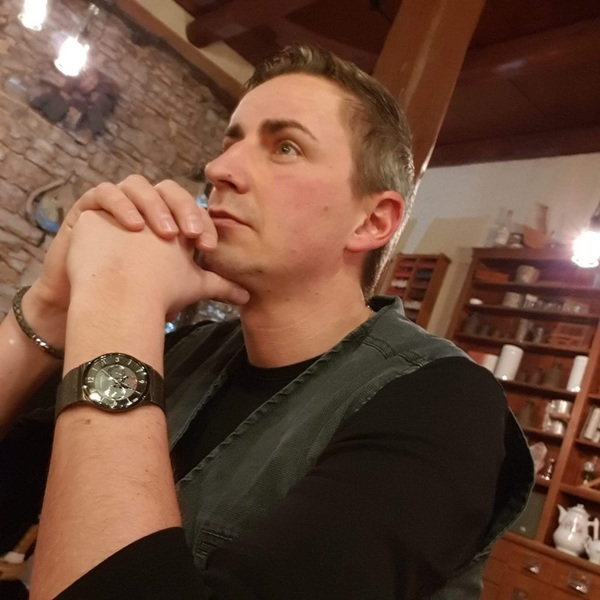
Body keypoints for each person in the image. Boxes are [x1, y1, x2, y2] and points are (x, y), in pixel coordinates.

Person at [0, 45, 532, 599]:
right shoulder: (187, 352)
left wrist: (119, 298)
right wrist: (48, 310)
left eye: (285, 147)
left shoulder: (443, 402)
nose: (219, 170)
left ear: (372, 221)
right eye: (230, 143)